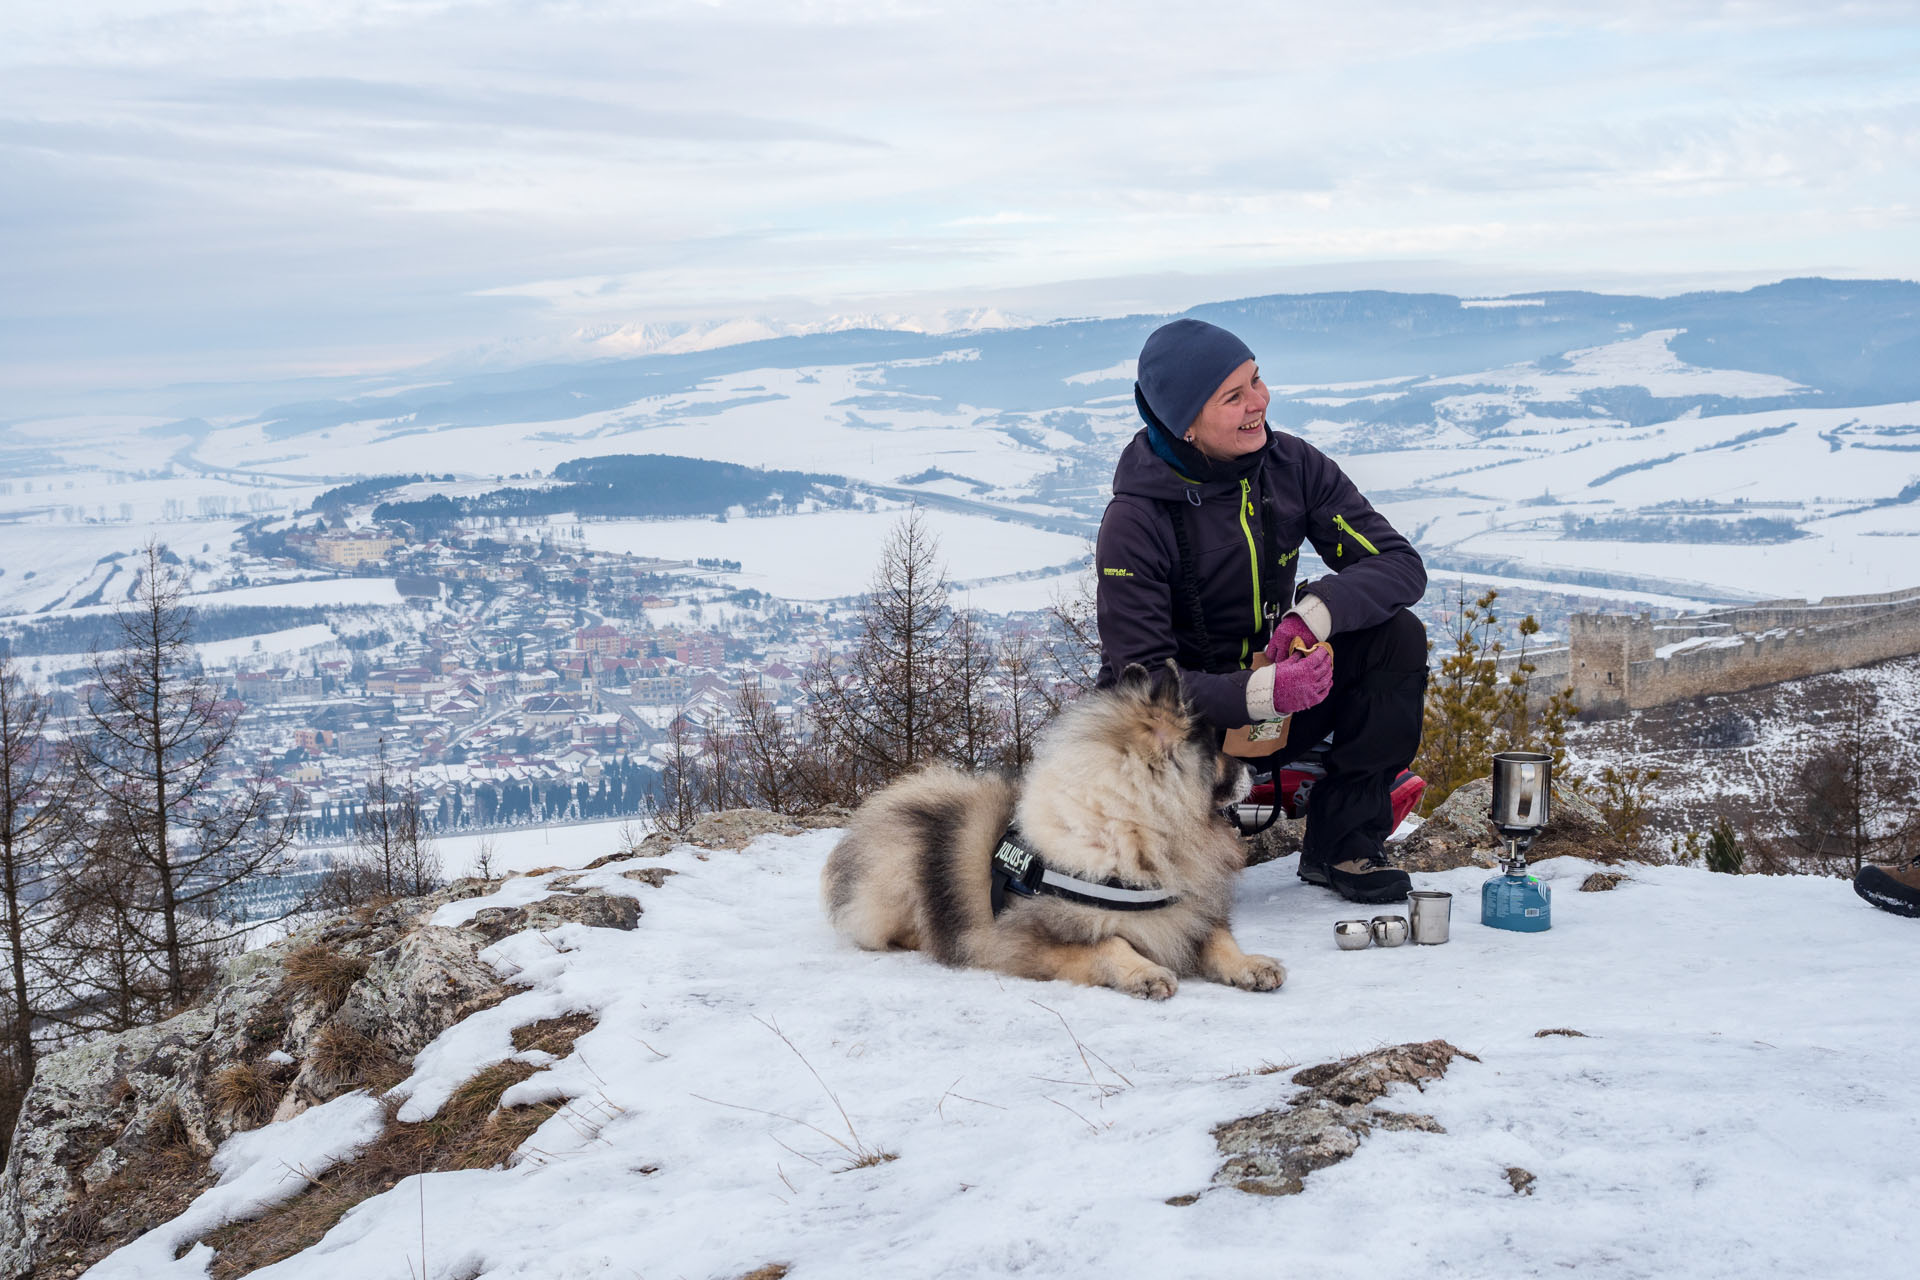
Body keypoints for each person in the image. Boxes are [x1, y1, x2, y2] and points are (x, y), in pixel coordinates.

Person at [1094, 318, 1429, 904]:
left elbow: (1400, 565)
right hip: (1184, 728)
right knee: (1154, 882)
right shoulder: (1134, 521)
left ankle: (1344, 843)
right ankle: (1221, 803)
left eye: (1257, 380)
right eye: (1233, 396)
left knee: (1394, 635)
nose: (1259, 403)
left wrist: (1312, 617)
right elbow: (1142, 681)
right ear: (1186, 424)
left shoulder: (1291, 467)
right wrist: (1261, 692)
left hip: (1282, 701)